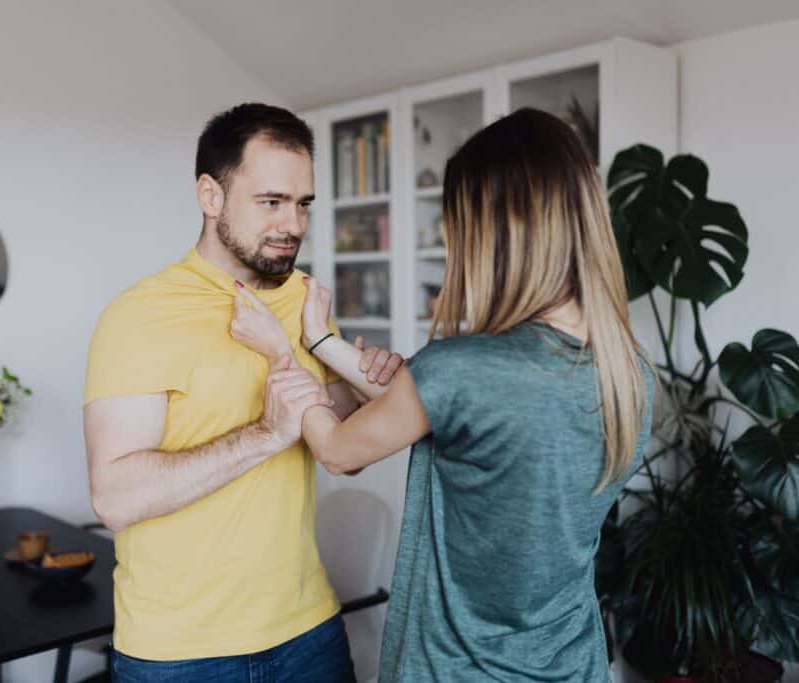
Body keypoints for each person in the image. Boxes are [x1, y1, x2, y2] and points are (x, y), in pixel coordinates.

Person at [230, 107, 657, 682]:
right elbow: (438, 405)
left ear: (495, 231)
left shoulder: (463, 369)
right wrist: (323, 341)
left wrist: (280, 349)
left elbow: (337, 448)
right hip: (571, 666)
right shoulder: (628, 373)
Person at [82, 103, 403, 682]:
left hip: (309, 632)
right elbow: (115, 497)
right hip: (181, 655)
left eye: (303, 204)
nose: (294, 225)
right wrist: (265, 433)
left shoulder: (303, 298)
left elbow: (345, 453)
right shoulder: (142, 315)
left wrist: (346, 363)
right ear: (211, 196)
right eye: (271, 202)